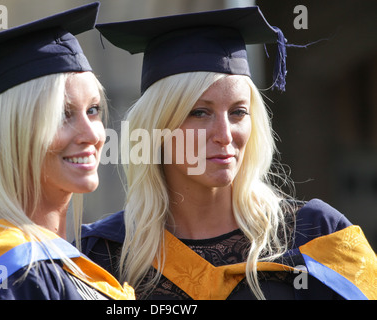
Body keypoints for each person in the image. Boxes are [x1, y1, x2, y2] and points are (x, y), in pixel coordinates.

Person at [81, 6, 376, 300]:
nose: (224, 134)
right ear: (158, 126)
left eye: (238, 112)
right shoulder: (102, 254)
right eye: (199, 112)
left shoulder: (317, 235)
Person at [0, 2, 134, 300]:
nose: (92, 134)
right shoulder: (5, 268)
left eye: (93, 110)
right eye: (62, 115)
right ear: (13, 133)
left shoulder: (73, 259)